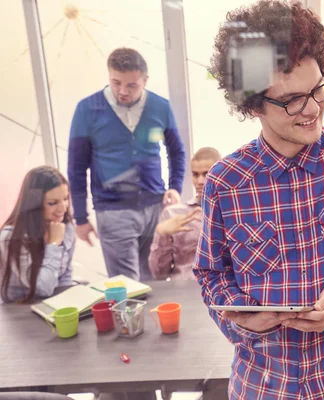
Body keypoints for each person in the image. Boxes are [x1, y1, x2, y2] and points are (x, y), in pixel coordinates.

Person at [193, 1, 324, 399]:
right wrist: (244, 319)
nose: (313, 109)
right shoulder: (226, 181)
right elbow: (211, 275)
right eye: (292, 99)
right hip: (262, 385)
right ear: (253, 103)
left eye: (318, 88)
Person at [68, 47, 186, 281]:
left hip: (155, 205)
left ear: (145, 80)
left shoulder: (160, 107)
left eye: (132, 85)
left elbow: (176, 151)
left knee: (155, 276)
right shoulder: (87, 109)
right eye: (116, 82)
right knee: (127, 285)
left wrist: (175, 187)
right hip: (113, 210)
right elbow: (76, 167)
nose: (123, 91)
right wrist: (80, 217)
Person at [0, 166, 75, 303]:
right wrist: (54, 244)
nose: (63, 208)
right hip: (20, 307)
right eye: (52, 203)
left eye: (65, 198)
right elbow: (43, 288)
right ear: (34, 203)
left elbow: (65, 278)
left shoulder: (66, 227)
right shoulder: (10, 238)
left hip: (53, 302)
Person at [149, 147, 221, 280]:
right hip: (184, 290)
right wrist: (161, 235)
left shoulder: (234, 213)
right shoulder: (173, 214)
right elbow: (158, 274)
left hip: (223, 290)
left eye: (206, 174)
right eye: (195, 174)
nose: (200, 181)